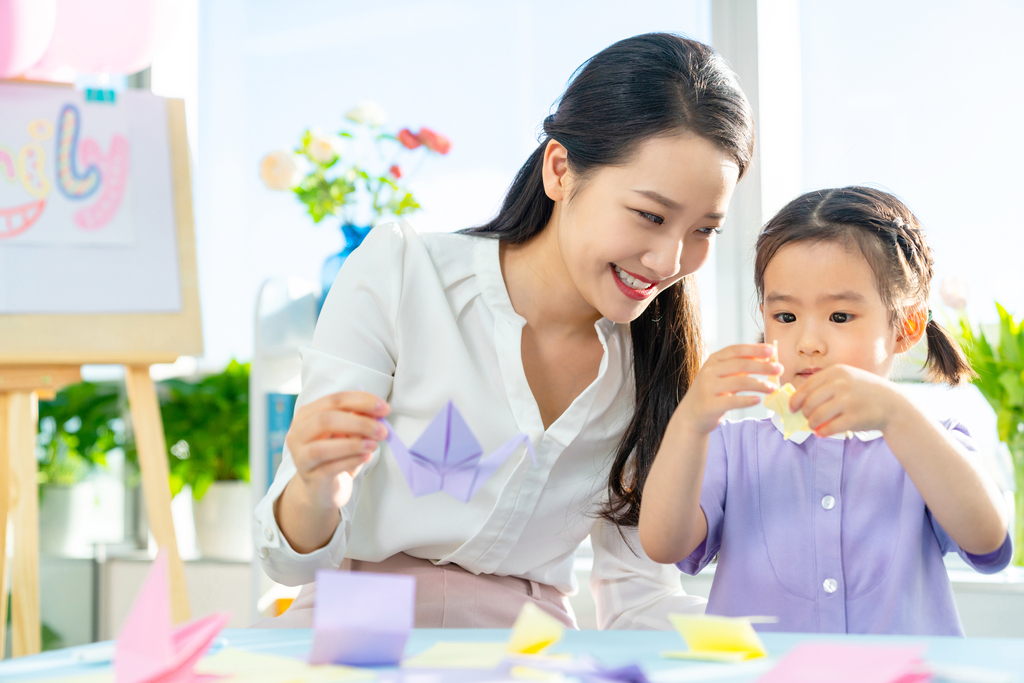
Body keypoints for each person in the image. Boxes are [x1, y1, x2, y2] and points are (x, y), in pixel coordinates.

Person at [252, 32, 754, 629]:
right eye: (650, 215)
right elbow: (286, 559)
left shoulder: (657, 364)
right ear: (560, 169)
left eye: (704, 230)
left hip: (527, 646)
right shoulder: (404, 274)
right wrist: (315, 487)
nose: (670, 261)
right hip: (356, 627)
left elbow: (639, 597)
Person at [638, 186, 1012, 635]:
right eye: (786, 317)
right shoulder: (729, 447)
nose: (807, 342)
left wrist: (896, 415)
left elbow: (988, 540)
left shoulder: (933, 443)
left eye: (839, 317)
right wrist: (690, 422)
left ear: (907, 326)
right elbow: (663, 544)